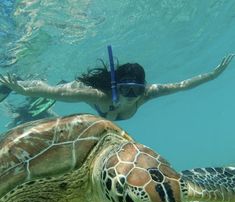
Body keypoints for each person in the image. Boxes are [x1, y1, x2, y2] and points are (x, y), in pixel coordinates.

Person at [0, 46, 234, 121]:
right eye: (126, 89)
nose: (132, 95)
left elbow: (182, 85)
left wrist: (211, 76)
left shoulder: (147, 94)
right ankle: (16, 80)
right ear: (115, 87)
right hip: (74, 87)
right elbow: (57, 92)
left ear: (144, 87)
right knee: (54, 91)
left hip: (99, 109)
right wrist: (24, 89)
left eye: (136, 90)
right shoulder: (98, 95)